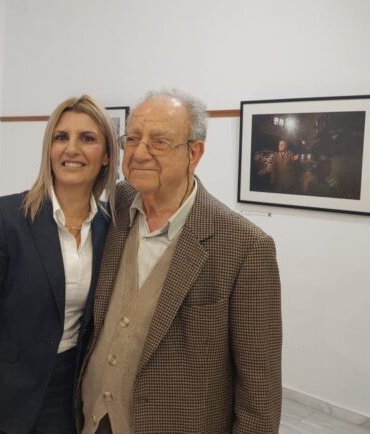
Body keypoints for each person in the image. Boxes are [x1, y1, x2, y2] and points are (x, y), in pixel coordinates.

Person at [77, 89, 282, 434]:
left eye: (159, 142)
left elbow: (259, 393)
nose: (140, 153)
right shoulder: (117, 206)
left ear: (194, 153)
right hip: (91, 420)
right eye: (133, 139)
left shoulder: (245, 247)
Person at [0, 95, 119, 434]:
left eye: (87, 138)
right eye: (61, 137)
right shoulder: (3, 217)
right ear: (49, 149)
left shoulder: (110, 227)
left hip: (72, 396)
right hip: (5, 396)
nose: (71, 149)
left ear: (107, 155)